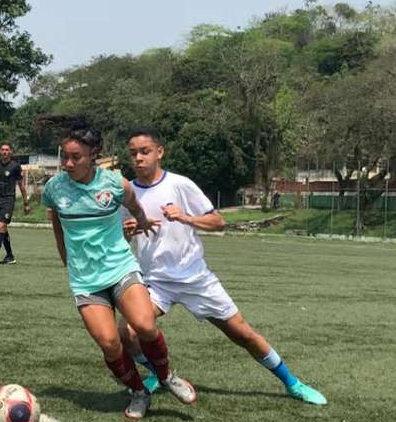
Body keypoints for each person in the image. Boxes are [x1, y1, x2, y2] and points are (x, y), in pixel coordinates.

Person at [118, 128, 327, 405]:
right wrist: (127, 232)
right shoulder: (128, 193)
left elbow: (218, 222)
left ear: (160, 152)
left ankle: (292, 382)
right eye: (133, 153)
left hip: (195, 277)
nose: (139, 158)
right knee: (127, 331)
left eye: (144, 151)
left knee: (242, 333)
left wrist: (185, 217)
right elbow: (119, 234)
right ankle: (159, 373)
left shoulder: (180, 185)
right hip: (155, 281)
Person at [42, 123, 196, 420]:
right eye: (65, 157)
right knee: (110, 344)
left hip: (120, 268)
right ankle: (139, 392)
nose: (68, 164)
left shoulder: (115, 184)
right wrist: (66, 258)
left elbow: (135, 205)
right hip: (86, 280)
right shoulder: (54, 188)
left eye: (76, 157)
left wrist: (142, 221)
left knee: (146, 326)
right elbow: (57, 222)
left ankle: (166, 376)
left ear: (93, 155)